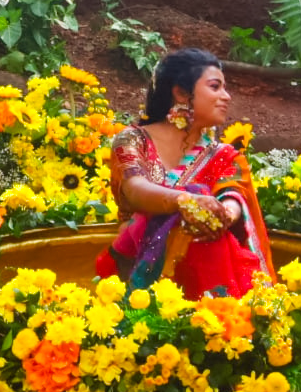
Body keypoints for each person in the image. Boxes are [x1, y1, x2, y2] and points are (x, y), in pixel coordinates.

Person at [95, 48, 274, 299]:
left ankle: (217, 314)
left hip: (206, 264)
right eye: (215, 87)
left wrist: (218, 215)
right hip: (135, 270)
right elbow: (134, 188)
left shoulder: (224, 156)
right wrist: (185, 202)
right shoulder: (134, 140)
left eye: (225, 88)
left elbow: (233, 198)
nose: (226, 96)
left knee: (203, 230)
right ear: (180, 92)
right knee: (190, 208)